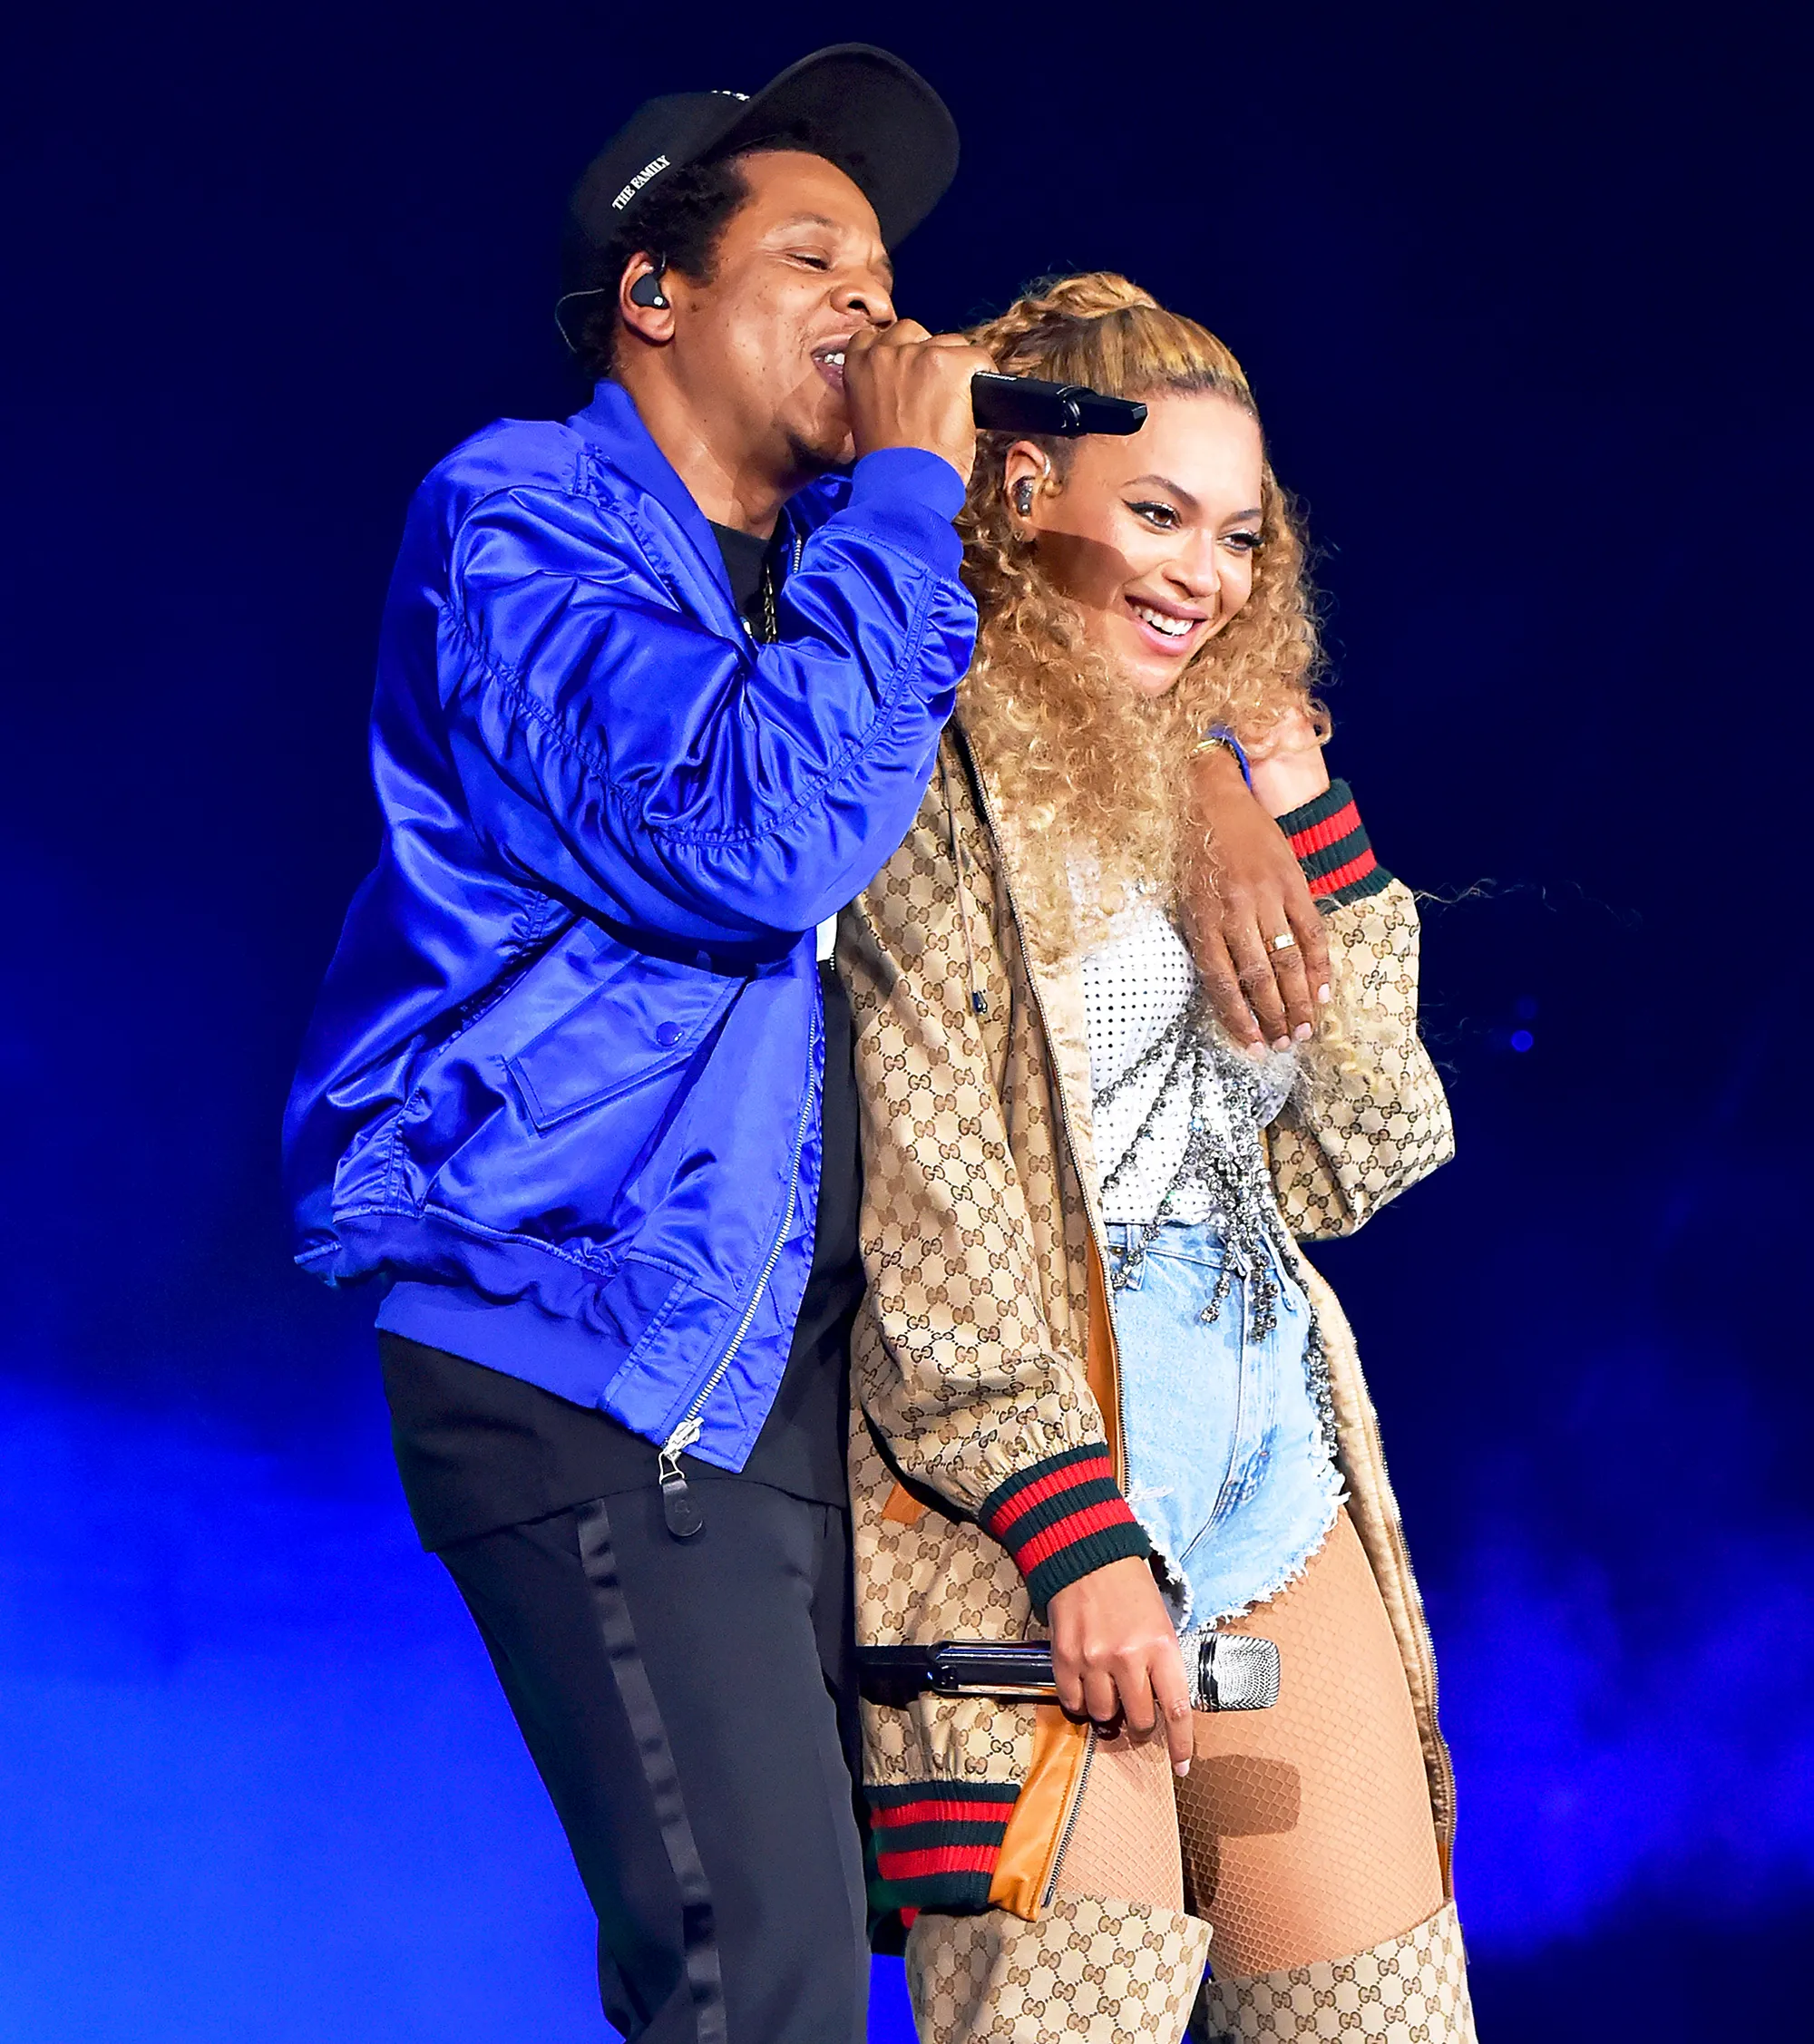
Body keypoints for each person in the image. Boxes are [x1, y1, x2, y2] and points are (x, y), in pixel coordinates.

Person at [282, 45, 998, 2044]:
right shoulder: (515, 514)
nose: (875, 299)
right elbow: (750, 832)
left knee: (938, 1943)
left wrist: (1210, 790)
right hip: (586, 1327)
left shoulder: (853, 580)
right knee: (749, 1969)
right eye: (812, 253)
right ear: (652, 295)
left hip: (805, 1373)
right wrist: (916, 501)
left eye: (885, 265)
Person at [838, 273, 1478, 2042]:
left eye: (1237, 533)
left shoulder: (1220, 778)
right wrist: (1076, 1536)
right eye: (1157, 513)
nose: (1204, 570)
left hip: (1273, 1477)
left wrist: (1302, 812)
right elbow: (934, 1215)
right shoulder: (911, 759)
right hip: (1024, 1502)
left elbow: (1366, 1152)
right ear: (1026, 499)